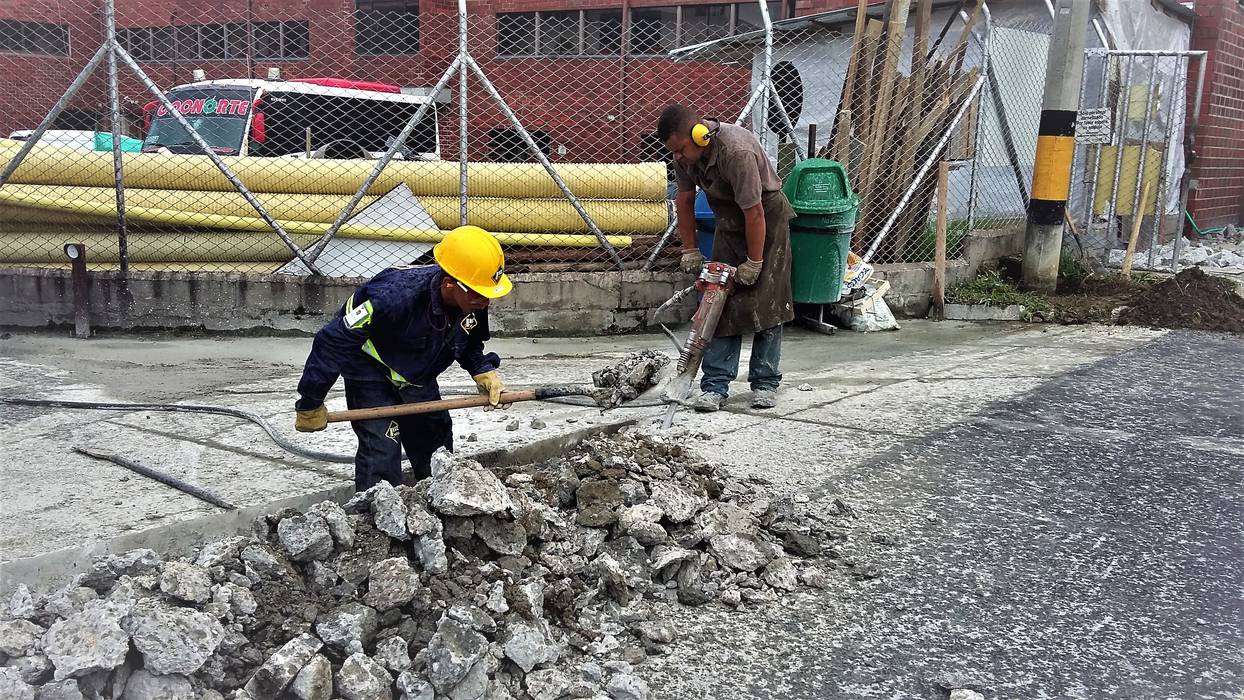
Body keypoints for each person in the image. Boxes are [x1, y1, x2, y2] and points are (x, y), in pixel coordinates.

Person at [293, 225, 512, 491]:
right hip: (369, 372)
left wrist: (481, 369)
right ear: (449, 284)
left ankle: (442, 507)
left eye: (489, 292)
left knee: (436, 447)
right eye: (479, 292)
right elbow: (332, 341)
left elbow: (468, 339)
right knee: (382, 451)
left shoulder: (473, 300)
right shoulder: (393, 297)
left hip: (418, 374)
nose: (486, 300)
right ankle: (374, 518)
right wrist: (311, 401)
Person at [657, 104, 795, 412]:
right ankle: (715, 386)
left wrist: (755, 262)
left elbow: (755, 211)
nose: (677, 157)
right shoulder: (685, 156)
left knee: (767, 302)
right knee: (716, 301)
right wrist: (690, 248)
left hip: (766, 221)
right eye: (673, 152)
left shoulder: (737, 152)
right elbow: (684, 201)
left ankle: (765, 383)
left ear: (699, 135)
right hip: (729, 223)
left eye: (680, 150)